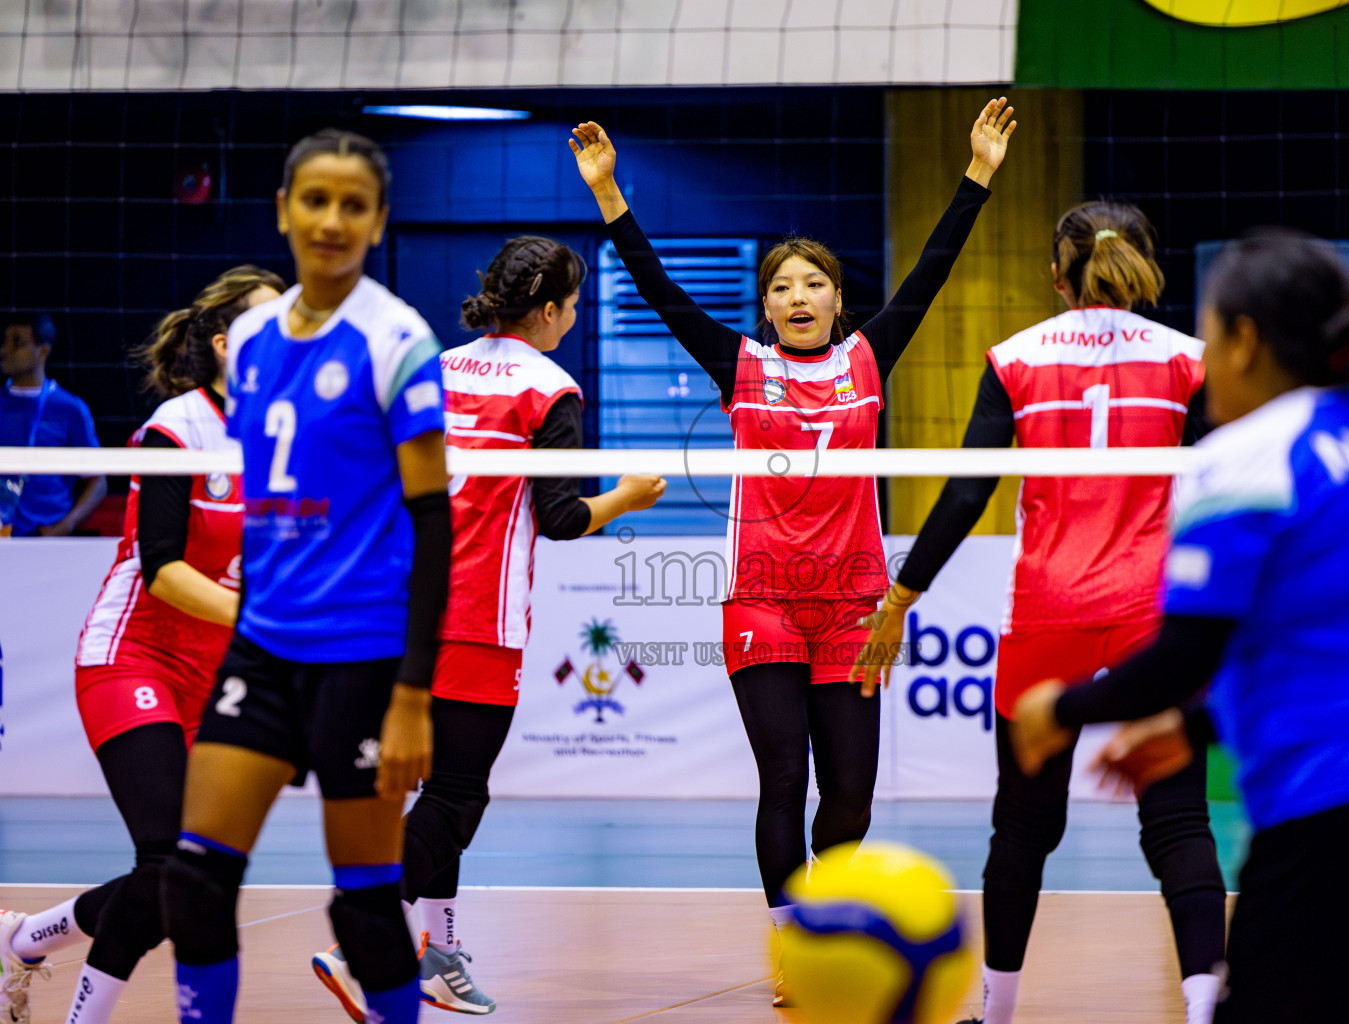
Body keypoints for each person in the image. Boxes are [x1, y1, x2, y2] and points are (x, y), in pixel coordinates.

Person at [569, 98, 1016, 1002]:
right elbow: (657, 289)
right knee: (785, 778)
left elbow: (930, 274)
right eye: (781, 287)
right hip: (761, 598)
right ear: (765, 306)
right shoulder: (737, 366)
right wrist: (611, 194)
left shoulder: (868, 359)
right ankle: (793, 949)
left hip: (854, 599)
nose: (798, 297)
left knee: (849, 793)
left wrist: (976, 176)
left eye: (813, 283)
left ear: (837, 300)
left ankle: (828, 921)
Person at [1008, 230, 1349, 1022]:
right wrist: (1198, 724)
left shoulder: (1248, 457)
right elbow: (1346, 650)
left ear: (1243, 340)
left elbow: (1182, 653)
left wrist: (1059, 709)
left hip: (1344, 815)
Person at [850, 201, 1226, 1024]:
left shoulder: (1015, 357)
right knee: (1177, 821)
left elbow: (969, 488)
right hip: (1152, 614)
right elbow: (1229, 481)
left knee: (1022, 827)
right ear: (1145, 267)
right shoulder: (1191, 361)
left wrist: (901, 596)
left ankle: (999, 1014)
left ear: (1058, 277)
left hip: (1048, 609)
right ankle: (1206, 1010)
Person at [312, 235, 665, 1017]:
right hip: (476, 616)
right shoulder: (550, 388)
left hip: (395, 610)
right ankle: (358, 940)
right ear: (546, 310)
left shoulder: (432, 369)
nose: (571, 321)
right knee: (459, 798)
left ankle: (436, 951)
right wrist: (631, 497)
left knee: (439, 790)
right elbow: (564, 518)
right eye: (571, 308)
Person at [159, 128, 450, 1024]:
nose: (332, 220)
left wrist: (411, 697)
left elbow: (434, 522)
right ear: (285, 209)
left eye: (352, 205)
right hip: (262, 648)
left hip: (362, 660)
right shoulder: (247, 340)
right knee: (195, 882)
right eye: (314, 200)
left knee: (363, 904)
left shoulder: (397, 339)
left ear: (378, 221)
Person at [0, 268, 285, 1024]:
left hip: (213, 676)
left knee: (189, 875)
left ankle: (27, 939)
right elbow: (162, 570)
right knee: (166, 857)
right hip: (132, 657)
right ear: (227, 345)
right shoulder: (180, 428)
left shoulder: (291, 439)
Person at [0, 313, 105, 537]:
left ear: (43, 351)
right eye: (5, 341)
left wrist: (66, 525)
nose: (5, 350)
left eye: (17, 343)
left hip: (45, 538)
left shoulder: (70, 408)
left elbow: (98, 481)